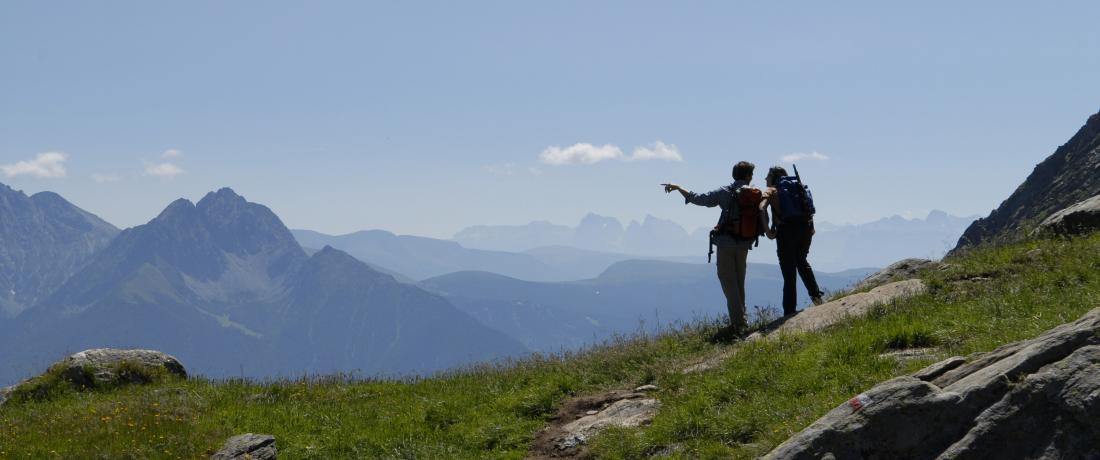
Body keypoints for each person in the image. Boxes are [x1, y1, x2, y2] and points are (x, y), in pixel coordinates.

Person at [662, 161, 765, 335]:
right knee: (739, 282)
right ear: (748, 176)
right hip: (745, 243)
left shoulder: (725, 192)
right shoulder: (756, 193)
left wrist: (679, 188)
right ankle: (742, 320)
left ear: (734, 174)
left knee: (728, 282)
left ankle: (738, 325)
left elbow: (700, 199)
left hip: (725, 243)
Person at [761, 166, 825, 317]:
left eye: (767, 176)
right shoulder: (798, 187)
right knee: (802, 262)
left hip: (786, 232)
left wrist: (768, 232)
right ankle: (817, 298)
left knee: (789, 272)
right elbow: (808, 208)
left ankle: (789, 312)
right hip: (805, 229)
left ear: (774, 177)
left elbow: (761, 208)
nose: (765, 179)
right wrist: (811, 228)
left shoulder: (772, 190)